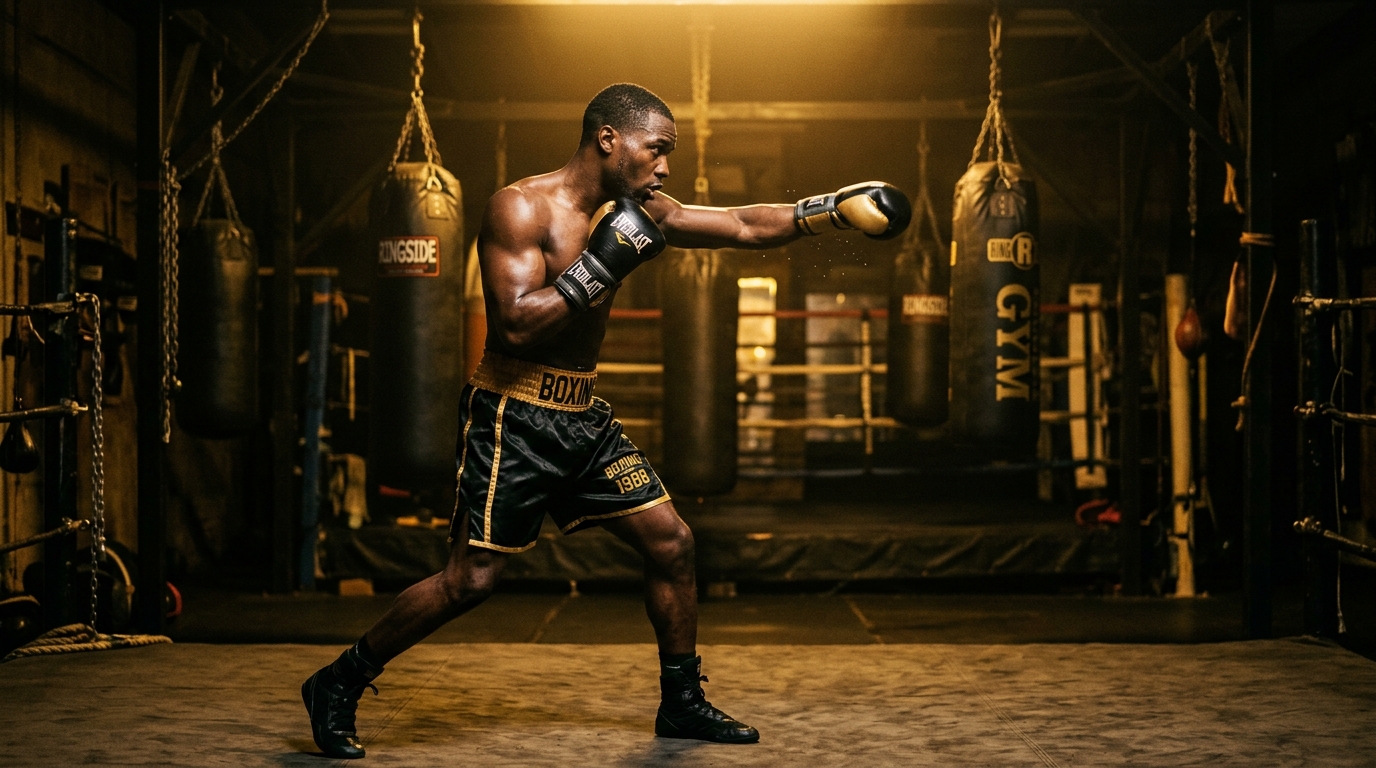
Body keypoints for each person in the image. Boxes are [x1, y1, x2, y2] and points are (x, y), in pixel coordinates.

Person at [302, 82, 911, 759]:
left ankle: (681, 702)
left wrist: (828, 211)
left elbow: (741, 225)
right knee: (470, 580)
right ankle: (339, 680)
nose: (665, 168)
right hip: (516, 413)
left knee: (672, 543)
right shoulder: (520, 206)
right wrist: (604, 262)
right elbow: (517, 323)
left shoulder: (641, 207)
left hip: (583, 417)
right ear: (607, 139)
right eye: (657, 150)